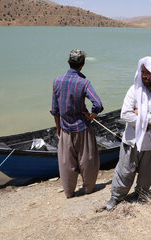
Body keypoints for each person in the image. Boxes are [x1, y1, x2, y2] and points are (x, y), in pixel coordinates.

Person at [106, 56, 151, 211]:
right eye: (142, 72)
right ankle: (116, 197)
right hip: (132, 141)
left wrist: (140, 113)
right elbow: (125, 114)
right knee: (124, 172)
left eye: (148, 72)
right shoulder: (134, 90)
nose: (144, 75)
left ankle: (140, 195)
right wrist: (150, 125)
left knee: (147, 175)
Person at [50, 49, 104, 198]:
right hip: (82, 128)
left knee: (67, 163)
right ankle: (88, 189)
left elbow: (55, 111)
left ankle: (69, 192)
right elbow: (98, 104)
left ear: (68, 62)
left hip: (66, 129)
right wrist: (92, 115)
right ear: (83, 64)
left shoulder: (57, 81)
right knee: (88, 161)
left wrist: (59, 128)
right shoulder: (84, 82)